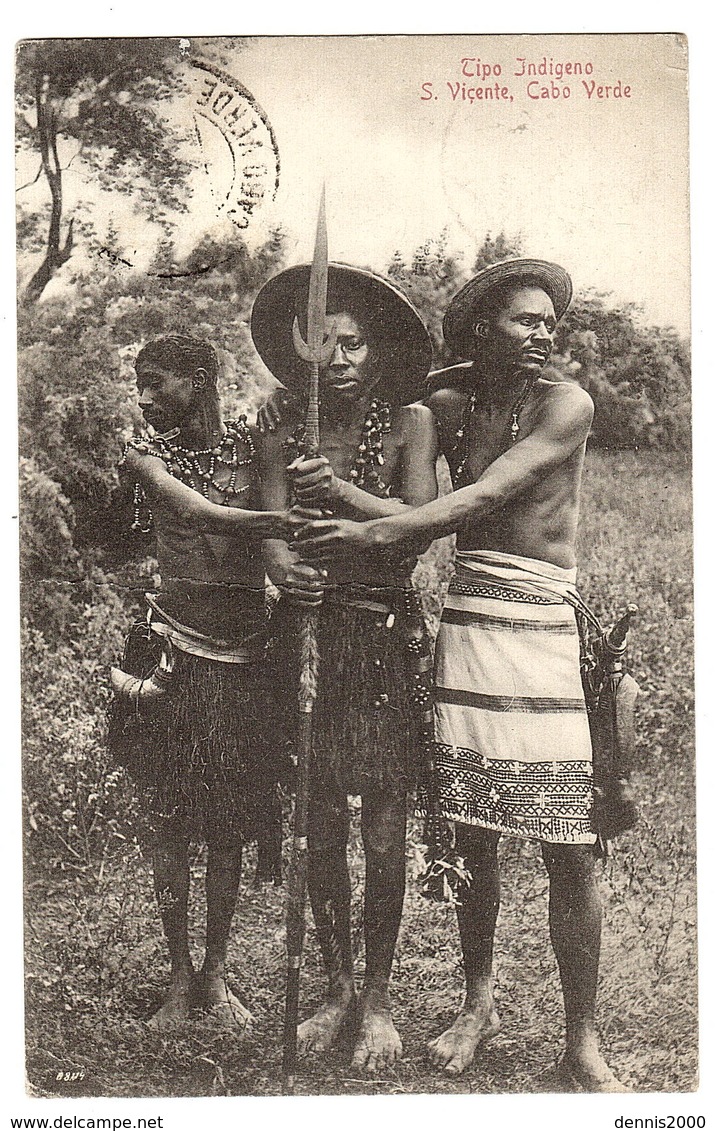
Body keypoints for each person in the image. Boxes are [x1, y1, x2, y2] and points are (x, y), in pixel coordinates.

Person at [292, 259, 627, 1092]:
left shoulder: (566, 405)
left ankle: (582, 1042)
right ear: (482, 328)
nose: (544, 333)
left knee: (569, 843)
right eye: (525, 320)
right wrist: (313, 451)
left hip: (544, 624)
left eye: (549, 321)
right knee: (475, 831)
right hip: (469, 623)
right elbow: (375, 403)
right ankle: (478, 1002)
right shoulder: (447, 405)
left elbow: (481, 498)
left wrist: (370, 531)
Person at [251, 264, 439, 1071]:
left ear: (379, 348)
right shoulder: (280, 423)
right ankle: (335, 987)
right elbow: (268, 523)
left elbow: (419, 523)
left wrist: (344, 493)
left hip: (379, 636)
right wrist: (280, 567)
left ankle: (380, 999)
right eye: (323, 343)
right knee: (320, 818)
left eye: (354, 342)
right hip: (306, 640)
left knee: (385, 824)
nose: (339, 358)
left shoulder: (410, 422)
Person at [109, 335, 298, 1029]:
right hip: (170, 654)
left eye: (156, 382)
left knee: (227, 825)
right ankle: (177, 977)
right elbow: (196, 513)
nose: (144, 397)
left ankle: (214, 974)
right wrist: (279, 519)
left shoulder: (255, 448)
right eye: (140, 383)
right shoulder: (143, 454)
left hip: (244, 659)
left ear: (197, 380)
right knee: (167, 820)